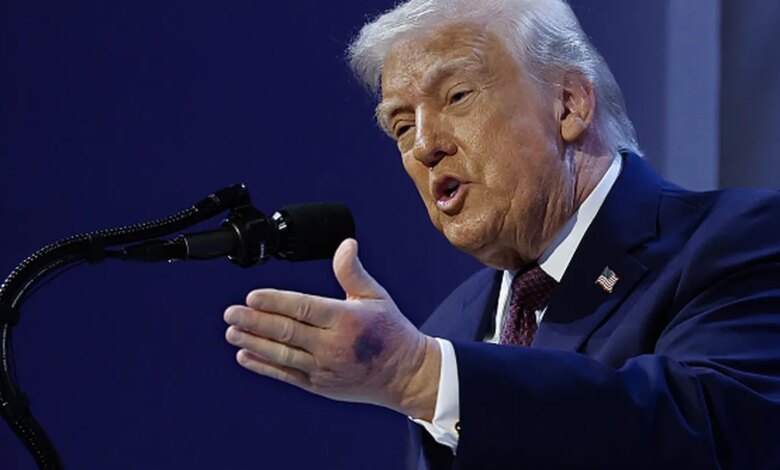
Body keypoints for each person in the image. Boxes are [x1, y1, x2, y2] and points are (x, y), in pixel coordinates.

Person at [222, 0, 780, 468]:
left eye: (457, 97)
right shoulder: (451, 327)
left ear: (569, 104)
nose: (424, 146)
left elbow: (717, 432)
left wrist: (422, 378)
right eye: (402, 126)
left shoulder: (737, 239)